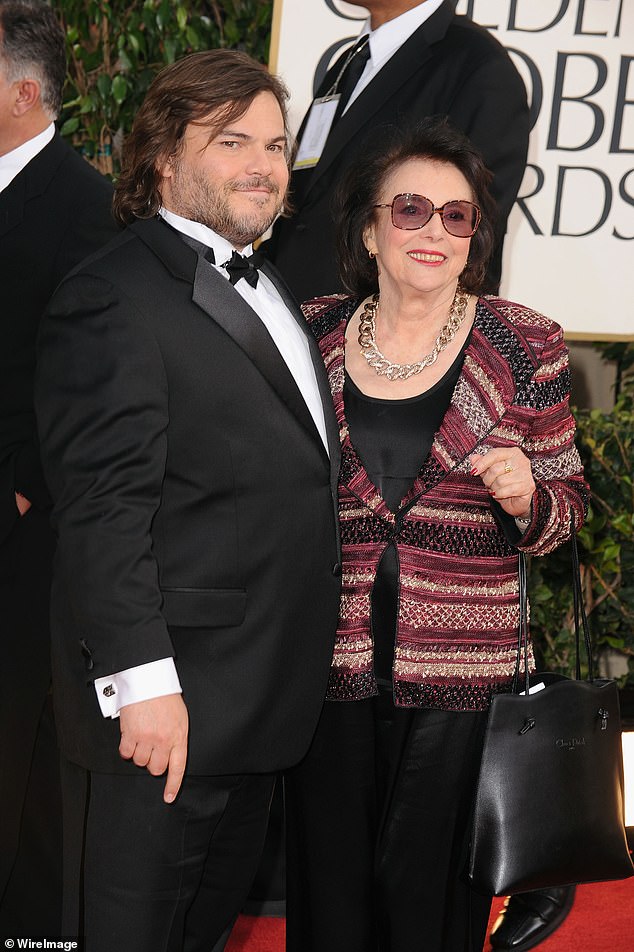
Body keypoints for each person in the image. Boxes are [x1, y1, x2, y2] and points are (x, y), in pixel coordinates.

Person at [34, 49, 342, 952]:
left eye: (278, 145)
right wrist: (143, 689)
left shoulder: (268, 278)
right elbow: (100, 510)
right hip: (165, 720)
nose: (264, 165)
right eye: (232, 140)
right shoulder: (113, 295)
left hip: (254, 710)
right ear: (164, 158)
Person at [283, 116, 588, 952]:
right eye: (412, 209)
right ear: (371, 227)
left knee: (428, 912)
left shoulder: (524, 344)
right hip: (324, 671)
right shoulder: (306, 335)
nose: (435, 232)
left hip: (464, 682)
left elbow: (566, 512)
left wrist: (531, 497)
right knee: (330, 902)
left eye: (458, 217)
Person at [0, 0, 118, 935]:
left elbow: (93, 373)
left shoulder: (88, 206)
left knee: (22, 745)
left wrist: (27, 486)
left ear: (24, 91)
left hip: (27, 536)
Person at [265, 0, 530, 299]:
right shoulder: (349, 62)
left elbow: (476, 235)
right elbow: (306, 202)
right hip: (294, 312)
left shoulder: (480, 67)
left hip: (373, 328)